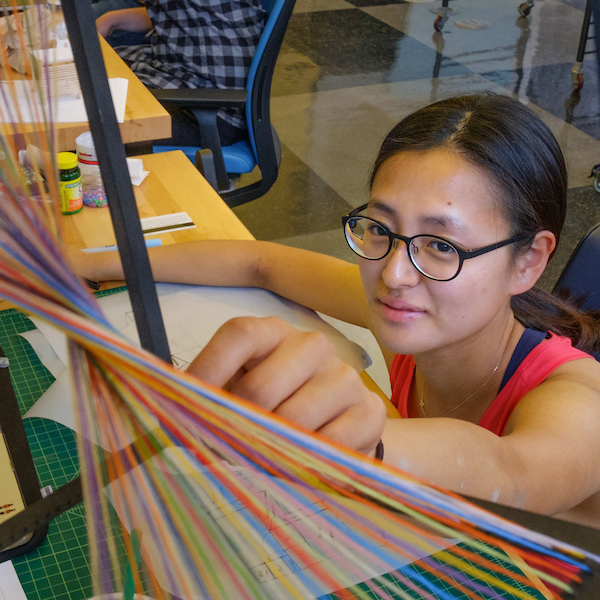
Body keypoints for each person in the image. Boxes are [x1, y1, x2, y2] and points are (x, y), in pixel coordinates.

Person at [71, 93, 600, 528]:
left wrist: (366, 439)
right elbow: (260, 263)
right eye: (381, 228)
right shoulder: (418, 311)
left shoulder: (579, 401)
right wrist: (82, 260)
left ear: (527, 261)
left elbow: (511, 472)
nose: (394, 274)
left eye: (442, 245)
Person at [95, 0, 266, 146]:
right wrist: (112, 19)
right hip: (181, 77)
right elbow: (171, 15)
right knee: (89, 79)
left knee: (90, 125)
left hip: (207, 111)